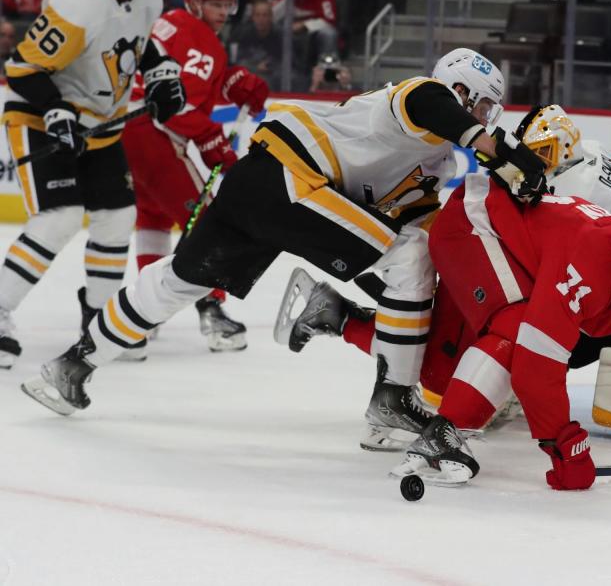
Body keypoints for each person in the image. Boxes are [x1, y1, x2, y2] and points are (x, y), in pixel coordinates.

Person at [20, 48, 548, 417]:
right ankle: (391, 403)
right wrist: (501, 148)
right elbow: (439, 111)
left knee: (181, 279)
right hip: (292, 180)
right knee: (408, 256)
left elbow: (417, 227)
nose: (483, 115)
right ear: (460, 91)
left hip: (262, 184)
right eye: (479, 104)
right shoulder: (418, 98)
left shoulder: (432, 163)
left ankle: (71, 366)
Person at [392, 172, 611, 488]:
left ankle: (350, 322)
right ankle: (442, 434)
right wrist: (560, 441)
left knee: (440, 372)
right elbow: (535, 364)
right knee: (518, 329)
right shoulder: (590, 263)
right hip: (474, 223)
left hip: (517, 245)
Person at [0, 0, 185, 368]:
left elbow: (138, 41)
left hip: (99, 125)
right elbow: (22, 68)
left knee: (117, 218)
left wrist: (160, 74)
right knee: (59, 219)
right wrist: (55, 109)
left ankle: (99, 321)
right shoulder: (76, 2)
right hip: (38, 119)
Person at [122, 0, 269, 357]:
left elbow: (186, 81)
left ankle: (144, 312)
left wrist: (231, 80)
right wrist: (209, 137)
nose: (222, 12)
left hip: (129, 132)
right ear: (194, 3)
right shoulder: (195, 34)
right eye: (215, 4)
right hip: (154, 134)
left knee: (153, 219)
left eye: (227, 5)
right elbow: (176, 104)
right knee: (206, 223)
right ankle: (212, 310)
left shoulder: (172, 24)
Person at [230, 0, 284, 89]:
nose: (261, 19)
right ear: (253, 17)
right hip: (249, 74)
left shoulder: (280, 35)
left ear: (271, 17)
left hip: (274, 80)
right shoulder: (243, 34)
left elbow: (286, 63)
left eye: (265, 15)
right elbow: (237, 62)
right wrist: (255, 67)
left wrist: (271, 66)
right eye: (257, 15)